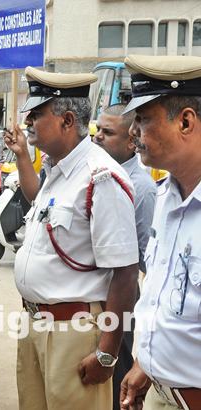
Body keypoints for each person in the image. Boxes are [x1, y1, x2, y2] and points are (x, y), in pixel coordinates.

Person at [7, 67, 140, 410]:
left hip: (74, 331)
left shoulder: (102, 176)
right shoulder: (56, 170)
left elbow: (125, 273)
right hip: (37, 325)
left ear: (67, 120)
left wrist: (107, 352)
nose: (29, 122)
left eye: (37, 114)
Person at [119, 55, 201, 410]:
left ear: (185, 121)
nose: (132, 132)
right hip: (163, 393)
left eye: (142, 119)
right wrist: (147, 365)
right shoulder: (167, 195)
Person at [93, 103, 157, 410]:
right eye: (97, 131)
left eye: (107, 132)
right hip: (93, 300)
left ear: (132, 140)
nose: (98, 138)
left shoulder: (141, 187)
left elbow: (147, 261)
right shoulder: (98, 175)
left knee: (117, 380)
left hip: (121, 299)